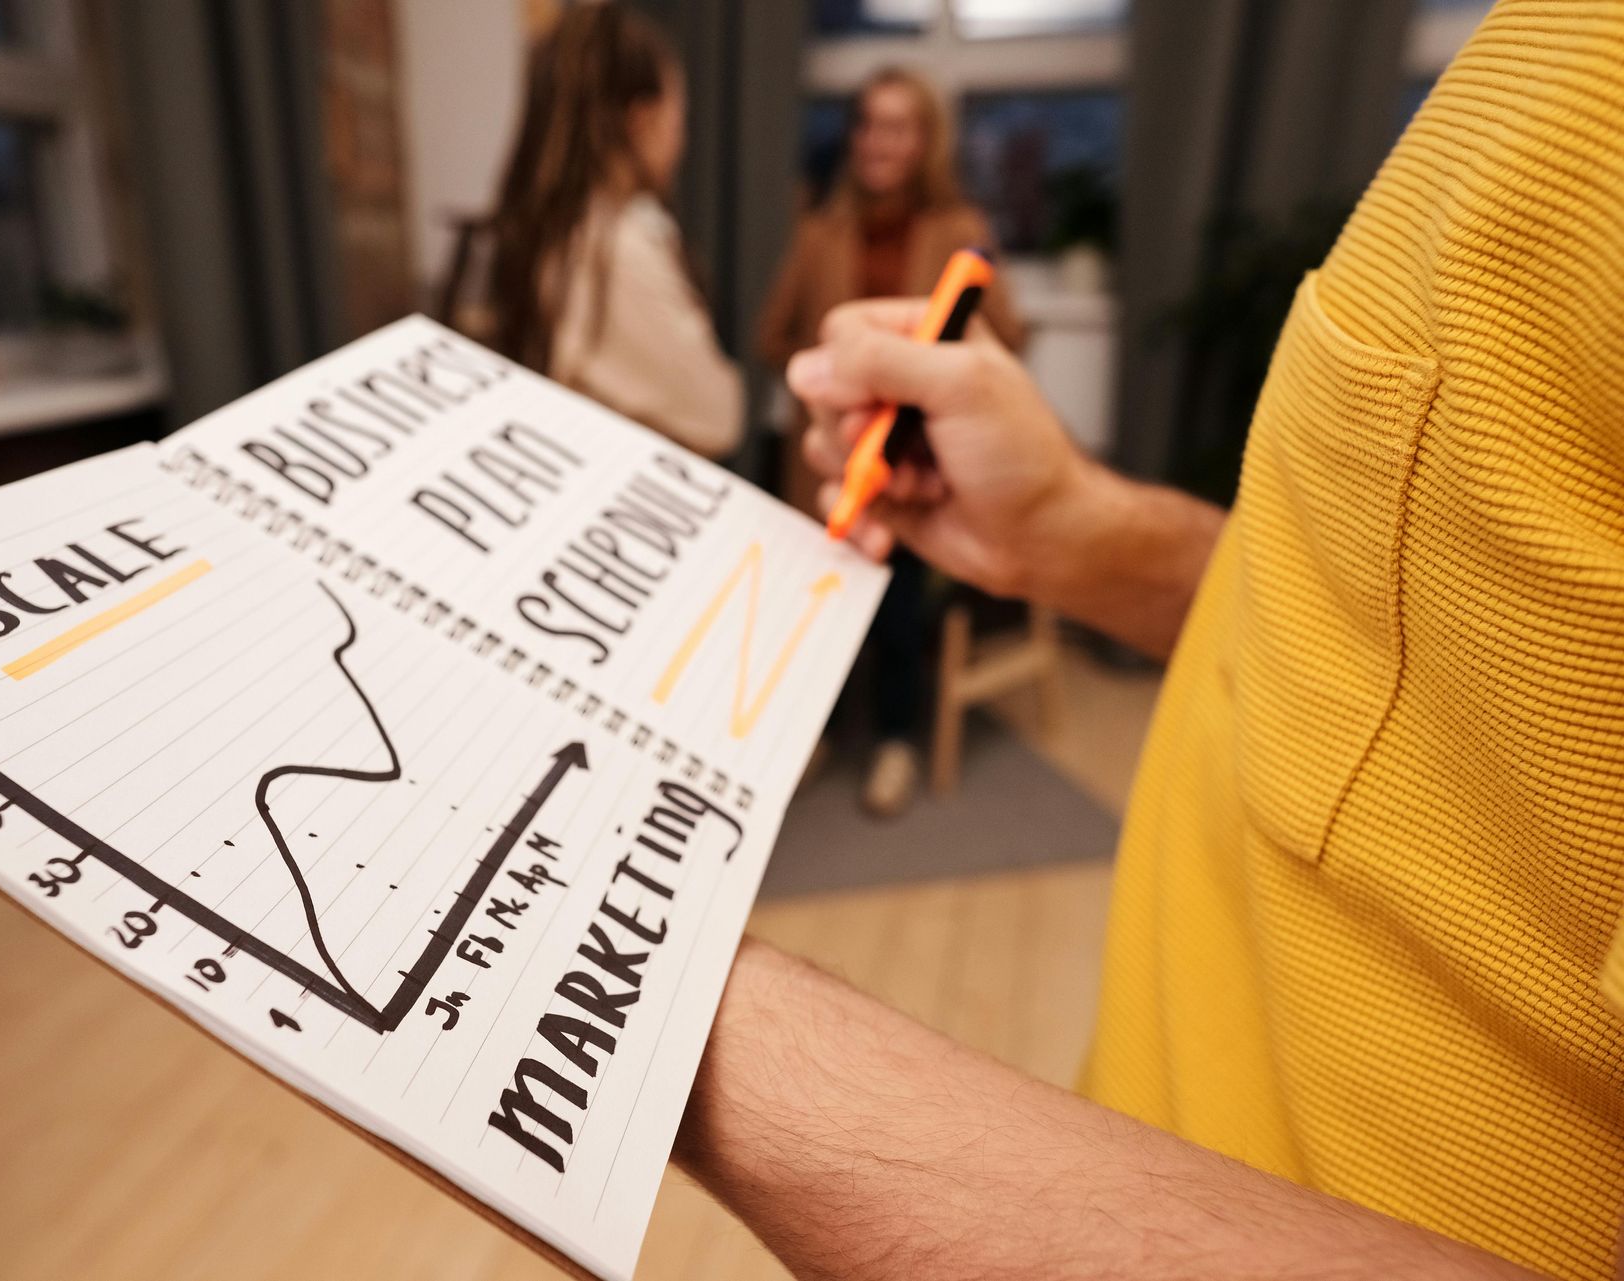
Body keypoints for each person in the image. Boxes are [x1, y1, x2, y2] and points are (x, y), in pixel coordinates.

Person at [678, 3, 1623, 1278]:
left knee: (894, 613)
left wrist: (663, 1002)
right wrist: (1077, 527)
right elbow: (1388, 608)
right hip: (1127, 1125)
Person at [757, 68, 1025, 818]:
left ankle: (895, 741)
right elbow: (770, 335)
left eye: (897, 125)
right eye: (869, 124)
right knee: (819, 605)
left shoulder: (960, 230)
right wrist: (831, 373)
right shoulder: (818, 231)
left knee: (901, 606)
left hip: (915, 463)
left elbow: (1010, 338)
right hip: (832, 455)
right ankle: (820, 732)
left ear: (925, 139)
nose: (878, 141)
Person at [466, 3, 741, 460]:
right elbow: (717, 416)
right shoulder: (616, 245)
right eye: (680, 118)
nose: (682, 141)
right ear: (642, 120)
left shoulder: (551, 229)